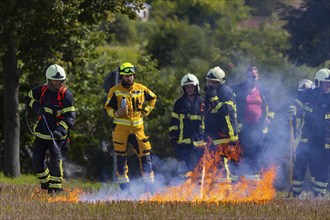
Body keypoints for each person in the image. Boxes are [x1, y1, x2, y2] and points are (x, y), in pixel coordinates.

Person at [104, 62, 157, 192]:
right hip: (121, 130)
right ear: (122, 76)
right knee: (121, 160)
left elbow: (153, 98)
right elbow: (107, 108)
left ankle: (149, 189)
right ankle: (125, 191)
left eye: (131, 75)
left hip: (138, 130)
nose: (129, 78)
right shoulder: (115, 91)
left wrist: (146, 110)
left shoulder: (141, 88)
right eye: (126, 76)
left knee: (146, 156)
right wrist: (116, 113)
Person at [26, 64, 76, 194]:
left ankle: (55, 189)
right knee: (37, 159)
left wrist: (60, 130)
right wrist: (36, 107)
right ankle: (45, 185)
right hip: (42, 132)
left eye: (60, 80)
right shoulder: (41, 90)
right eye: (54, 80)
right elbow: (29, 97)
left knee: (55, 161)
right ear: (48, 80)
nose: (57, 82)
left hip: (58, 136)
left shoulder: (66, 95)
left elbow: (70, 117)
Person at [291, 68, 330, 198]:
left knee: (322, 170)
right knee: (299, 168)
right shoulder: (308, 94)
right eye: (325, 83)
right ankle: (295, 193)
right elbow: (296, 103)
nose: (328, 86)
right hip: (305, 140)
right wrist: (292, 108)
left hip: (324, 143)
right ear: (318, 83)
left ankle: (318, 196)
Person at [231, 66, 275, 181]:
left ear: (258, 77)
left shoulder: (263, 91)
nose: (252, 79)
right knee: (242, 154)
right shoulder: (239, 90)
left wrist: (268, 118)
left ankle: (253, 183)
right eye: (249, 76)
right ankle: (240, 181)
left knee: (256, 154)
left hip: (258, 128)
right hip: (244, 128)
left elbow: (272, 108)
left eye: (254, 76)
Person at [204, 66, 238, 183]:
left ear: (220, 82)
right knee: (215, 163)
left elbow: (225, 112)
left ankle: (227, 191)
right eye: (209, 81)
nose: (210, 84)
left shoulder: (225, 91)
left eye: (214, 82)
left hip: (226, 134)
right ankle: (218, 190)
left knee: (223, 164)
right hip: (215, 135)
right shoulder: (211, 92)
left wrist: (214, 99)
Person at [169, 73, 205, 177]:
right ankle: (184, 190)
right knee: (184, 172)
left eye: (192, 86)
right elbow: (174, 122)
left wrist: (207, 137)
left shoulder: (202, 102)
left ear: (196, 87)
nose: (189, 89)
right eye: (187, 87)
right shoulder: (179, 103)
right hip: (183, 143)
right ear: (184, 88)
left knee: (199, 170)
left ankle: (198, 190)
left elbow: (206, 121)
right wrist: (173, 136)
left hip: (199, 142)